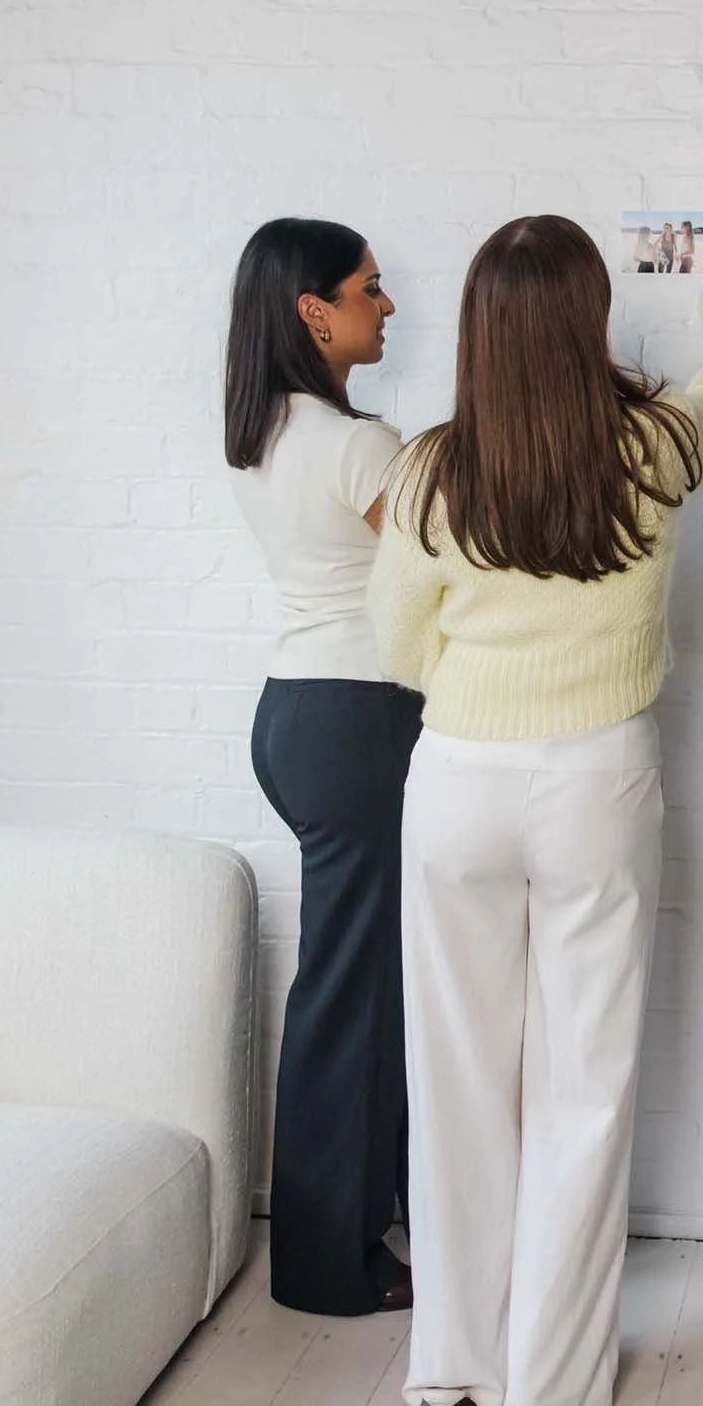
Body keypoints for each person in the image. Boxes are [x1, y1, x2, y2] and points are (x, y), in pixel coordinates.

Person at [368, 214, 703, 1406]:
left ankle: (459, 1364)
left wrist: (480, 698)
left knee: (458, 1078)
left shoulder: (430, 469)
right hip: (600, 776)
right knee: (584, 1089)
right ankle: (551, 1394)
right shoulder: (652, 446)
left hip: (458, 782)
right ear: (590, 316)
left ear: (482, 330)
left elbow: (397, 644)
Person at [225, 219, 419, 1317]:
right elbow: (450, 574)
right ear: (314, 309)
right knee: (352, 991)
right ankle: (327, 1266)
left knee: (353, 982)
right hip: (357, 721)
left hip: (298, 713)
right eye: (370, 289)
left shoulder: (261, 432)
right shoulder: (359, 444)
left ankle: (352, 1234)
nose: (386, 306)